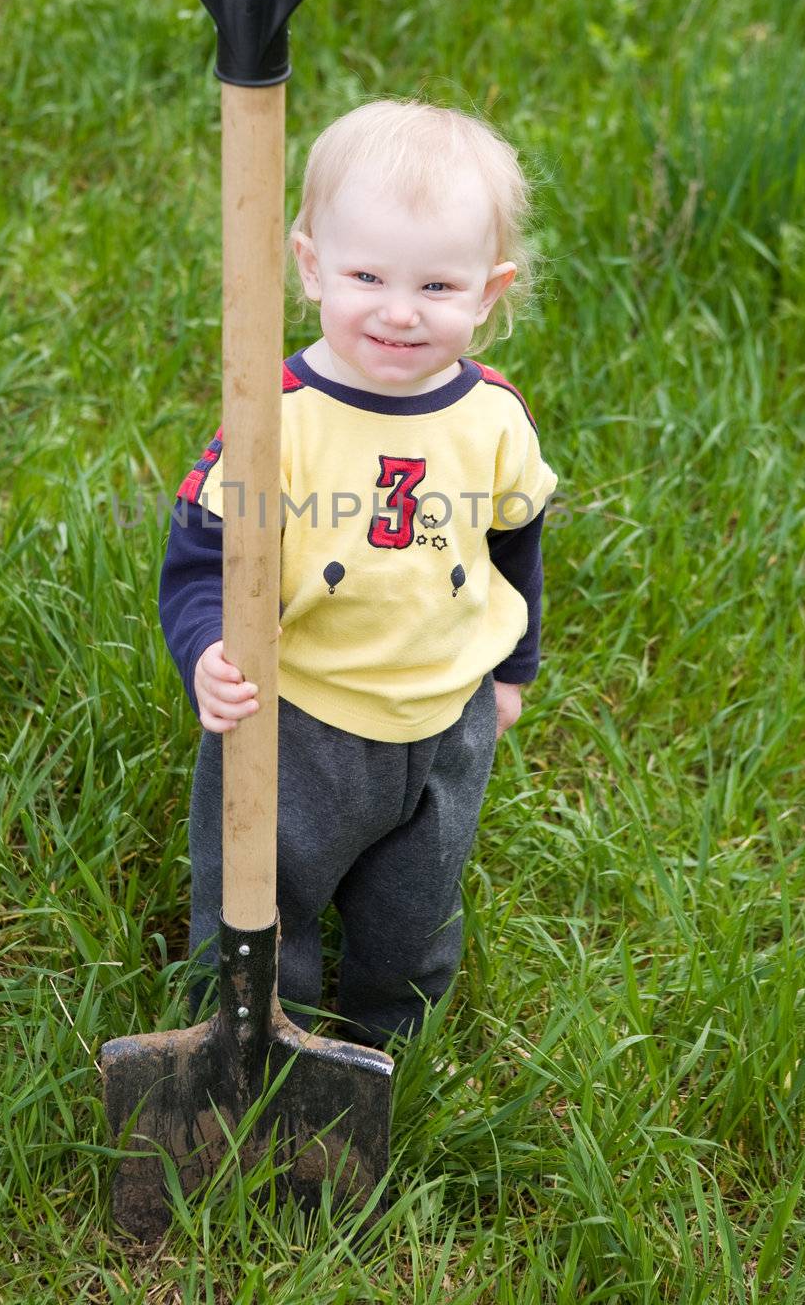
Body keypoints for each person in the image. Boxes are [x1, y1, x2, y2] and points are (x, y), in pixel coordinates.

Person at [159, 98, 558, 1051]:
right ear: (308, 265)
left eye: (436, 285)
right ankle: (249, 1033)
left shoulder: (493, 416)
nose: (397, 309)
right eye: (366, 274)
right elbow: (199, 558)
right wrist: (208, 646)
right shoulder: (276, 416)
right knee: (263, 891)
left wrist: (511, 671)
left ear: (489, 291)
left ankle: (385, 1041)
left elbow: (515, 541)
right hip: (296, 719)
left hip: (444, 717)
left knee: (415, 905)